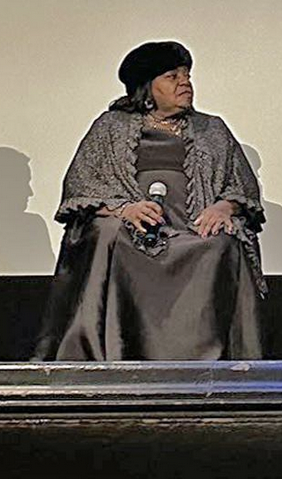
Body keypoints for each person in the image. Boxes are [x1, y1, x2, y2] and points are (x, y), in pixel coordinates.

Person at [34, 41, 266, 361]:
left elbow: (242, 187)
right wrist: (123, 209)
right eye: (172, 76)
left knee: (224, 242)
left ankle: (205, 361)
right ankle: (114, 352)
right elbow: (80, 186)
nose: (185, 82)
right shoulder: (111, 126)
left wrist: (223, 207)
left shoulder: (212, 128)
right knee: (107, 233)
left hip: (191, 227)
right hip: (135, 226)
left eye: (187, 75)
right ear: (147, 87)